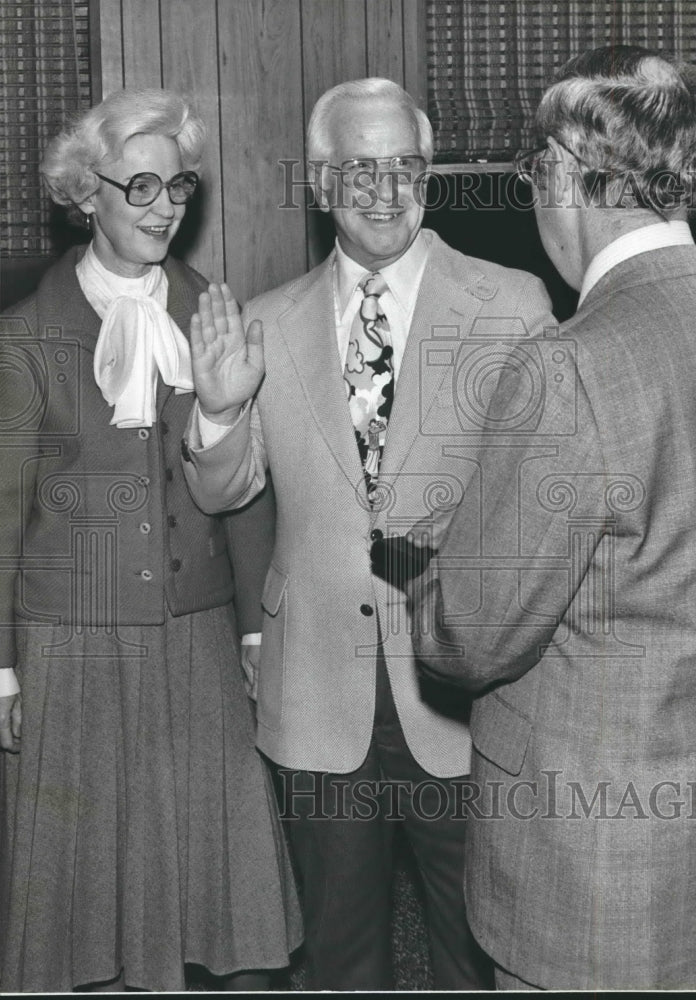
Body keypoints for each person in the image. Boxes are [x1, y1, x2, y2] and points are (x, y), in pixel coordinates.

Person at [181, 78, 553, 989]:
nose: (385, 192)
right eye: (359, 169)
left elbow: (542, 505)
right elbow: (228, 494)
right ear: (318, 183)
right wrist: (220, 415)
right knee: (341, 961)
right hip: (316, 693)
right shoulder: (266, 321)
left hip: (464, 693)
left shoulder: (513, 305)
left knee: (480, 956)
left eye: (405, 168)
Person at [409, 45, 696, 990]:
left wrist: (427, 579)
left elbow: (470, 638)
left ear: (563, 173)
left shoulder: (568, 367)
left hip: (587, 879)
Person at [0, 88, 301, 993]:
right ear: (83, 193)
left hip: (197, 638)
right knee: (81, 905)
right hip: (70, 645)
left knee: (212, 895)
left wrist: (252, 629)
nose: (164, 205)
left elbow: (245, 496)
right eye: (139, 185)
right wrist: (1, 668)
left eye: (178, 185)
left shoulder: (210, 310)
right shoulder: (21, 338)